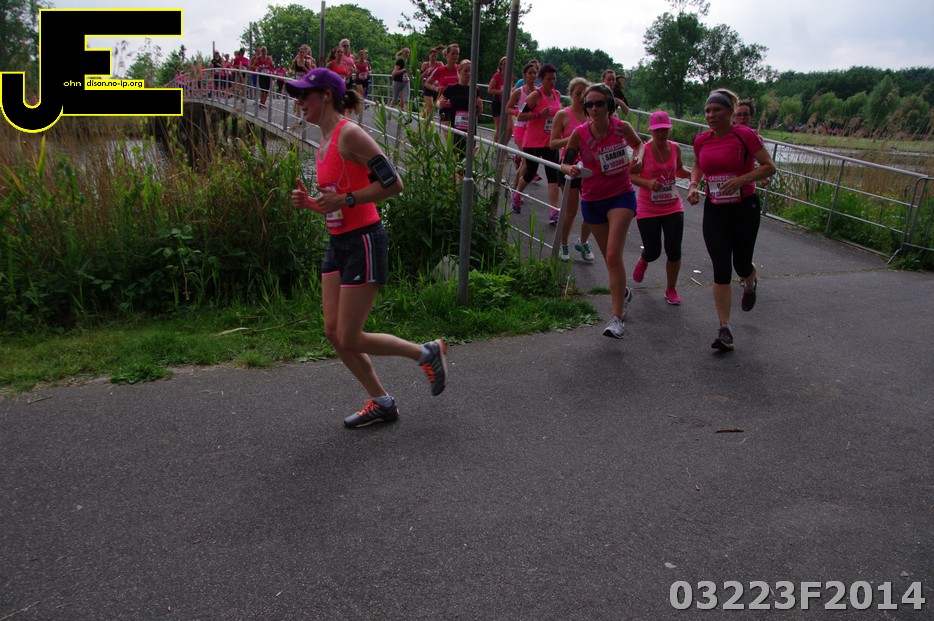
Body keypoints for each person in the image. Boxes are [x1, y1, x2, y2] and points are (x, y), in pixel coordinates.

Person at [285, 68, 449, 427]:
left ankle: (425, 352)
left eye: (304, 95)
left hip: (364, 240)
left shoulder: (349, 135)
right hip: (338, 242)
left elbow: (394, 183)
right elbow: (337, 201)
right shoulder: (324, 142)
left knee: (349, 335)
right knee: (333, 332)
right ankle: (383, 402)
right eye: (296, 96)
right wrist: (312, 204)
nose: (298, 102)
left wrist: (347, 199)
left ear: (326, 95)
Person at [687, 88, 777, 352]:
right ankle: (724, 328)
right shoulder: (701, 140)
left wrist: (742, 179)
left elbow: (769, 166)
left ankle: (750, 281)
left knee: (741, 263)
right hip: (715, 209)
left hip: (744, 208)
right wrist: (693, 184)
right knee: (721, 267)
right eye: (707, 111)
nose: (711, 115)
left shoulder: (744, 135)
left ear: (730, 112)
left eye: (717, 110)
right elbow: (698, 164)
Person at [561, 84, 644, 339]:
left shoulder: (621, 128)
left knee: (612, 255)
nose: (594, 108)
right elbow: (565, 163)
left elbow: (639, 145)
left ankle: (617, 318)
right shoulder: (579, 134)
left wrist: (639, 158)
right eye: (589, 104)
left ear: (609, 105)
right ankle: (624, 292)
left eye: (599, 103)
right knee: (611, 260)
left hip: (621, 195)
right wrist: (571, 169)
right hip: (593, 199)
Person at [630, 110, 692, 305]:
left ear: (669, 130)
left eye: (664, 130)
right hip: (648, 207)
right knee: (653, 250)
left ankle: (671, 289)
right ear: (650, 130)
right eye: (657, 130)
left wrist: (691, 175)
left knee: (674, 250)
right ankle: (644, 259)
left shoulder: (675, 148)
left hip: (673, 206)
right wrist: (648, 183)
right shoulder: (643, 150)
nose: (661, 134)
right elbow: (630, 176)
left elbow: (678, 169)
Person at [550, 76, 594, 261]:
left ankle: (582, 241)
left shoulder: (592, 115)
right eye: (578, 94)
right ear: (570, 94)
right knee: (571, 210)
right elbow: (553, 143)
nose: (581, 98)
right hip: (570, 167)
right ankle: (563, 244)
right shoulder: (563, 114)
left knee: (593, 209)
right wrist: (574, 138)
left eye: (585, 94)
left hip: (590, 169)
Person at [513, 63, 563, 225]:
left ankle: (554, 210)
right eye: (549, 79)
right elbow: (520, 116)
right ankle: (517, 194)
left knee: (553, 176)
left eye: (554, 79)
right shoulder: (535, 95)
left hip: (550, 142)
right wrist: (538, 115)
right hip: (532, 141)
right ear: (541, 79)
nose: (552, 82)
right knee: (530, 172)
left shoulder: (556, 95)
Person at [504, 62, 537, 213]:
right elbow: (508, 108)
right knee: (526, 160)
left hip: (533, 130)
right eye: (530, 73)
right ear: (525, 75)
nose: (533, 75)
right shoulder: (519, 91)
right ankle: (516, 188)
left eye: (535, 73)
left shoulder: (538, 92)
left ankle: (516, 186)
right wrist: (518, 113)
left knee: (527, 161)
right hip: (520, 129)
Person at [437, 59, 484, 154]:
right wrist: (440, 104)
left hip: (470, 127)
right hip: (456, 126)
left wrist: (480, 106)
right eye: (466, 71)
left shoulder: (475, 90)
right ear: (459, 71)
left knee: (468, 155)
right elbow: (439, 102)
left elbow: (478, 113)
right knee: (456, 154)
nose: (468, 74)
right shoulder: (451, 89)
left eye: (471, 71)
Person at [420, 46, 443, 119]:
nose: (434, 58)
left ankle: (422, 121)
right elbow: (419, 77)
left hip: (436, 88)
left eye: (435, 56)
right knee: (431, 107)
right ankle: (431, 124)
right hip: (427, 87)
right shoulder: (425, 64)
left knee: (428, 108)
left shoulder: (440, 64)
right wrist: (426, 72)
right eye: (432, 56)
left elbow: (444, 74)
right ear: (429, 55)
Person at [488, 56, 507, 139]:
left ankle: (502, 145)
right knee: (499, 128)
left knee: (507, 128)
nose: (505, 66)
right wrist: (501, 91)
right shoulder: (497, 75)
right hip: (497, 103)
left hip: (506, 103)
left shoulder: (511, 76)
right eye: (504, 64)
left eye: (507, 64)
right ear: (500, 66)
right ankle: (495, 145)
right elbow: (489, 90)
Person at [390, 47, 411, 112]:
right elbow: (394, 73)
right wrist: (403, 70)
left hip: (406, 82)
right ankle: (389, 113)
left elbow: (408, 72)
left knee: (406, 100)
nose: (407, 54)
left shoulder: (408, 61)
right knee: (395, 99)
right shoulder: (400, 61)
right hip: (397, 82)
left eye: (408, 53)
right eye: (406, 52)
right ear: (403, 53)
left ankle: (406, 115)